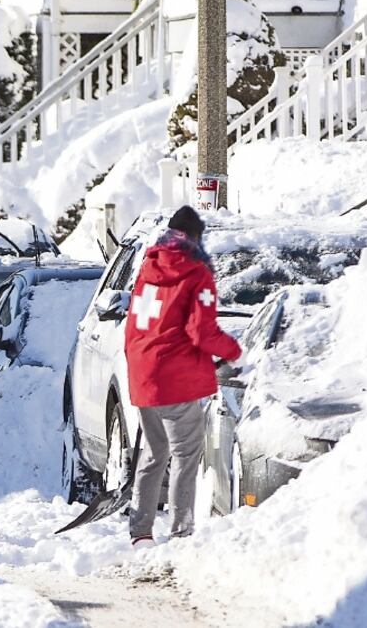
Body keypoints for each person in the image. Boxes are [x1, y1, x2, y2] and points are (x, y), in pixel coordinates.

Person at [124, 206, 242, 548]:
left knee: (154, 451)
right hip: (175, 377)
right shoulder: (196, 273)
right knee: (186, 455)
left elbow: (137, 323)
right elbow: (201, 330)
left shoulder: (148, 268)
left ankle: (141, 531)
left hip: (144, 373)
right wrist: (235, 352)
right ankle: (180, 532)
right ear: (195, 237)